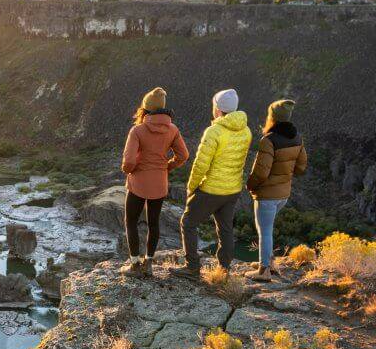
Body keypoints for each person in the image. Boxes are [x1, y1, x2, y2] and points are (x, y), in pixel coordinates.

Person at [172, 88, 251, 279]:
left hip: (212, 189)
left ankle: (192, 268)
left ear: (217, 108)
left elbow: (201, 164)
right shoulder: (246, 130)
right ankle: (223, 270)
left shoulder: (214, 131)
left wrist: (191, 186)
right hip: (232, 190)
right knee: (225, 229)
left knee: (188, 223)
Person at [120, 86, 189, 276]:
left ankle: (134, 265)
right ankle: (149, 264)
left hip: (138, 184)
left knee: (131, 221)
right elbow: (183, 155)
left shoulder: (138, 130)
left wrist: (129, 171)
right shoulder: (173, 129)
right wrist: (167, 166)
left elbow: (129, 161)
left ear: (146, 108)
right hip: (160, 183)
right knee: (154, 223)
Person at [246, 99, 307, 281]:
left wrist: (250, 185)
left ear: (272, 117)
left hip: (267, 195)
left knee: (264, 231)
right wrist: (285, 174)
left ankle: (264, 271)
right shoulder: (297, 137)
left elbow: (260, 173)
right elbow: (301, 167)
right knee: (268, 229)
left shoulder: (269, 140)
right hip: (283, 194)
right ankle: (268, 262)